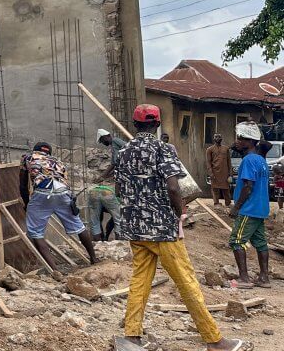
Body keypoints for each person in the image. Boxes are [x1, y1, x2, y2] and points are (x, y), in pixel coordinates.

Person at [113, 104, 243, 351]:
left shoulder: (124, 151)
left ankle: (131, 336)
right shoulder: (162, 149)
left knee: (140, 280)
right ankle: (214, 340)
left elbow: (119, 189)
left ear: (135, 124)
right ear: (157, 124)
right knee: (187, 281)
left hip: (135, 228)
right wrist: (179, 211)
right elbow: (174, 187)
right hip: (162, 228)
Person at [20, 143, 98, 270]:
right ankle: (94, 258)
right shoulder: (57, 161)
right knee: (79, 226)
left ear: (35, 150)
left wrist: (27, 204)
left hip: (42, 193)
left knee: (36, 233)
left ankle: (54, 270)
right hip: (63, 192)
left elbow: (23, 185)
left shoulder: (27, 157)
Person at [228, 124, 272, 289]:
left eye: (242, 138)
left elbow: (248, 187)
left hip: (248, 209)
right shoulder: (261, 160)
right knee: (260, 243)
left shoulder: (247, 160)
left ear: (252, 142)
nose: (237, 141)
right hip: (260, 209)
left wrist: (236, 207)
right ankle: (264, 278)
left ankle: (244, 278)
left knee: (236, 241)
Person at [92, 129, 125, 241]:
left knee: (117, 216)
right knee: (117, 215)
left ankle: (118, 240)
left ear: (107, 136)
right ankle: (108, 238)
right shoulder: (113, 146)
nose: (103, 143)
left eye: (102, 140)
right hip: (120, 176)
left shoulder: (115, 141)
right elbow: (113, 164)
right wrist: (103, 176)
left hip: (123, 176)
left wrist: (102, 176)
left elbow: (116, 163)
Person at [207, 134, 233, 207]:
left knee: (226, 188)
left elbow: (229, 161)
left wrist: (230, 173)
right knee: (215, 188)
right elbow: (208, 162)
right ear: (213, 138)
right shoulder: (210, 149)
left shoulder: (226, 149)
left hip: (225, 172)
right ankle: (216, 203)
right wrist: (210, 173)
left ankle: (228, 202)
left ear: (222, 138)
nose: (218, 138)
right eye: (216, 137)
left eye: (219, 137)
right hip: (214, 172)